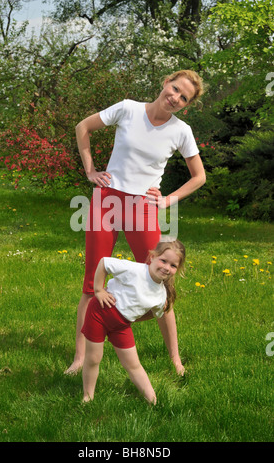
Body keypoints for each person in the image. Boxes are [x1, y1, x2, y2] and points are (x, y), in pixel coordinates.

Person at [65, 69, 206, 376]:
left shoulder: (181, 130)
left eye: (184, 98)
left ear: (186, 105)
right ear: (164, 82)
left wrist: (167, 200)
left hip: (143, 208)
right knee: (92, 284)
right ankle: (79, 358)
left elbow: (199, 177)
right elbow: (83, 128)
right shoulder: (127, 108)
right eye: (175, 89)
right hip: (106, 201)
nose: (175, 98)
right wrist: (90, 171)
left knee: (162, 283)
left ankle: (175, 361)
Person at [81, 239, 186, 404]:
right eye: (163, 260)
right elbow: (104, 263)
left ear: (177, 269)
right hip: (100, 312)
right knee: (94, 358)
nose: (166, 267)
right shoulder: (135, 270)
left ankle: (153, 401)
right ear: (152, 257)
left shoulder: (160, 296)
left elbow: (155, 314)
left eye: (173, 265)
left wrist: (132, 317)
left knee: (134, 364)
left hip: (121, 326)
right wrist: (99, 290)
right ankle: (88, 397)